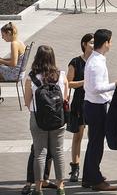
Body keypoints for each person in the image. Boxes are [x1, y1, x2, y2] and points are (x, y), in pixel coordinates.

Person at [83, 28, 117, 191]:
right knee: (96, 144)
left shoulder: (97, 59)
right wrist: (116, 84)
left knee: (94, 142)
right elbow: (96, 88)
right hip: (96, 107)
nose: (111, 44)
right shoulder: (96, 63)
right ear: (106, 43)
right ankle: (96, 179)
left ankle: (89, 176)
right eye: (110, 41)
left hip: (94, 105)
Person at [23, 45, 69, 195]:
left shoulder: (31, 78)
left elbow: (27, 102)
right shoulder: (61, 76)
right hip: (58, 119)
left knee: (39, 153)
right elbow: (66, 98)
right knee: (58, 152)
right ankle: (61, 186)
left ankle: (38, 188)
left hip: (37, 118)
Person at [66, 33, 93, 183]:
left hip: (94, 101)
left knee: (93, 137)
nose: (94, 45)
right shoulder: (75, 62)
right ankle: (75, 169)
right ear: (84, 44)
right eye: (91, 43)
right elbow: (68, 83)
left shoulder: (98, 61)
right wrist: (84, 82)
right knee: (78, 135)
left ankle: (91, 168)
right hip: (80, 101)